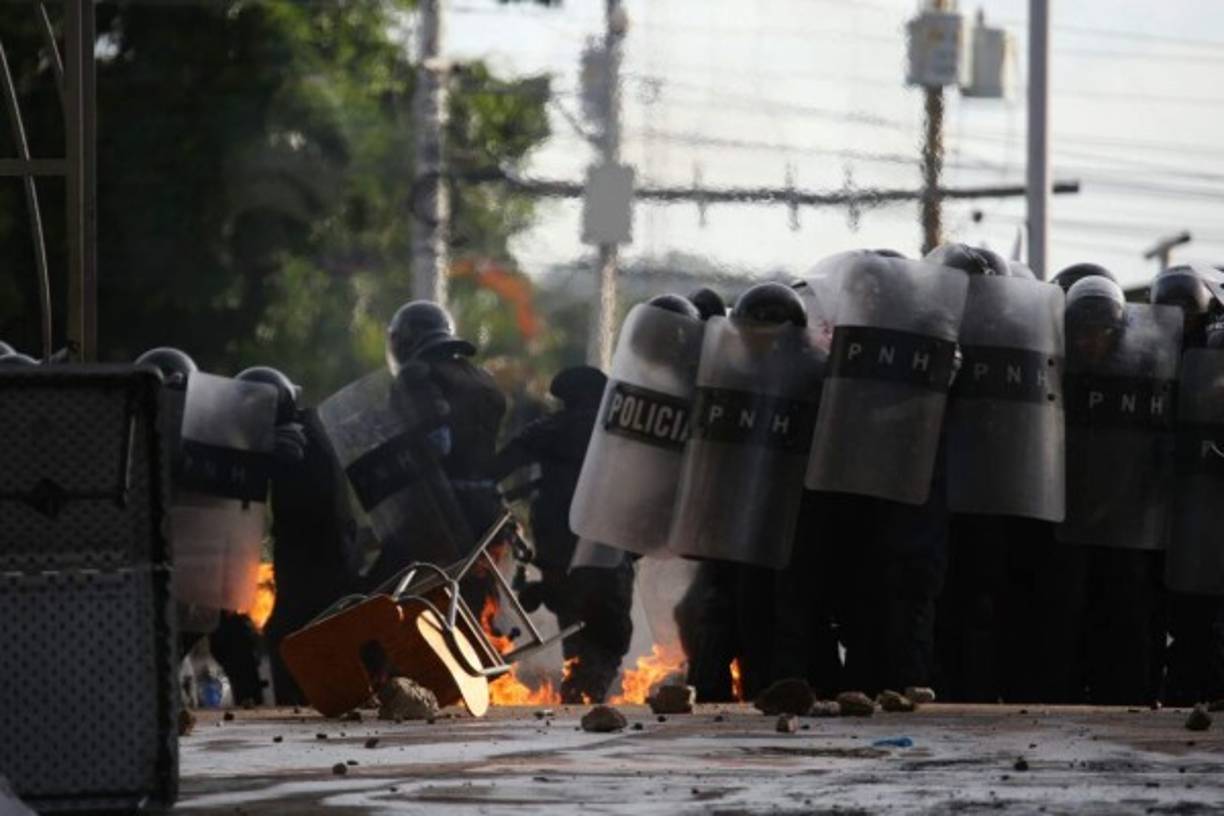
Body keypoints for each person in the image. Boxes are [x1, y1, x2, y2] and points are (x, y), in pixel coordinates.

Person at [493, 365, 634, 703]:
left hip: (559, 543)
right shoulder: (618, 432)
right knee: (609, 621)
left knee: (573, 617)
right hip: (606, 542)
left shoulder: (548, 429)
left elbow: (497, 469)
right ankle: (590, 682)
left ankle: (582, 680)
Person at [238, 366, 361, 705]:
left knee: (287, 636)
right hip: (323, 555)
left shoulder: (292, 440)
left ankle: (300, 709)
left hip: (316, 560)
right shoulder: (311, 425)